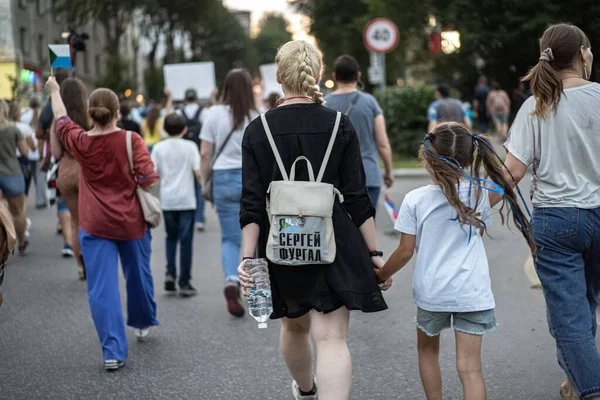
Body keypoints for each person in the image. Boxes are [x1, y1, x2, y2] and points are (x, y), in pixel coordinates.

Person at [237, 40, 390, 400]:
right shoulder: (341, 125)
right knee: (332, 338)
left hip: (281, 241)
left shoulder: (257, 130)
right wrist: (374, 252)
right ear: (319, 75)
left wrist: (248, 259)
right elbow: (356, 198)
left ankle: (306, 390)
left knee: (293, 328)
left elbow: (252, 204)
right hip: (332, 240)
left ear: (278, 77)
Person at [374, 122, 535, 400]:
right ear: (470, 155)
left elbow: (404, 252)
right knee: (470, 369)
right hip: (472, 293)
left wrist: (379, 276)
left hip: (431, 293)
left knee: (427, 351)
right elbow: (514, 175)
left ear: (428, 156)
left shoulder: (415, 199)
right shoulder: (481, 194)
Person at [503, 23, 600, 400]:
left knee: (570, 317)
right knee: (585, 304)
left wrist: (470, 209)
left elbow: (512, 171)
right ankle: (577, 383)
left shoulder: (536, 105)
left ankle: (589, 388)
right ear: (581, 54)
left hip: (557, 222)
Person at [46, 77, 159, 371]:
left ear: (90, 111)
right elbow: (148, 180)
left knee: (101, 288)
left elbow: (61, 120)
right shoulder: (131, 140)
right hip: (131, 223)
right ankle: (143, 322)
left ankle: (112, 351)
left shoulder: (81, 142)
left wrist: (55, 91)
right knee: (138, 275)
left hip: (94, 224)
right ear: (117, 112)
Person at [200, 69, 259, 318]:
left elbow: (205, 153)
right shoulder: (256, 116)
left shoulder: (213, 113)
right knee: (254, 235)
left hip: (222, 179)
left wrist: (205, 184)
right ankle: (255, 291)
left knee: (229, 238)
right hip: (250, 179)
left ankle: (231, 280)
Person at [325, 55, 394, 210]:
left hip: (335, 178)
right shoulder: (370, 102)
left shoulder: (325, 103)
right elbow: (382, 143)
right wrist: (388, 171)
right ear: (358, 76)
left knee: (340, 231)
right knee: (366, 230)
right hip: (368, 176)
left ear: (335, 77)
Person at [151, 113, 201, 297]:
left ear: (163, 129)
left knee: (170, 237)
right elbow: (198, 173)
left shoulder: (158, 148)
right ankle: (185, 282)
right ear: (185, 130)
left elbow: (152, 175)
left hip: (168, 200)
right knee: (186, 241)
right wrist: (204, 189)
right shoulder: (190, 147)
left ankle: (170, 272)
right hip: (187, 200)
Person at [50, 77, 91, 273]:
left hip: (66, 170)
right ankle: (93, 263)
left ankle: (81, 267)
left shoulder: (57, 121)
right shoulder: (89, 116)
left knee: (75, 220)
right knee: (91, 218)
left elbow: (56, 153)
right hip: (87, 169)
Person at [176, 88, 210, 232]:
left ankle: (184, 218)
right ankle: (199, 219)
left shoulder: (179, 112)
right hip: (198, 152)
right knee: (199, 187)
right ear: (196, 98)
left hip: (182, 153)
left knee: (183, 185)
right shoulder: (203, 112)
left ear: (185, 98)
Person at [0, 101, 30, 255]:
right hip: (12, 173)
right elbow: (24, 151)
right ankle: (21, 242)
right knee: (18, 212)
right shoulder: (13, 129)